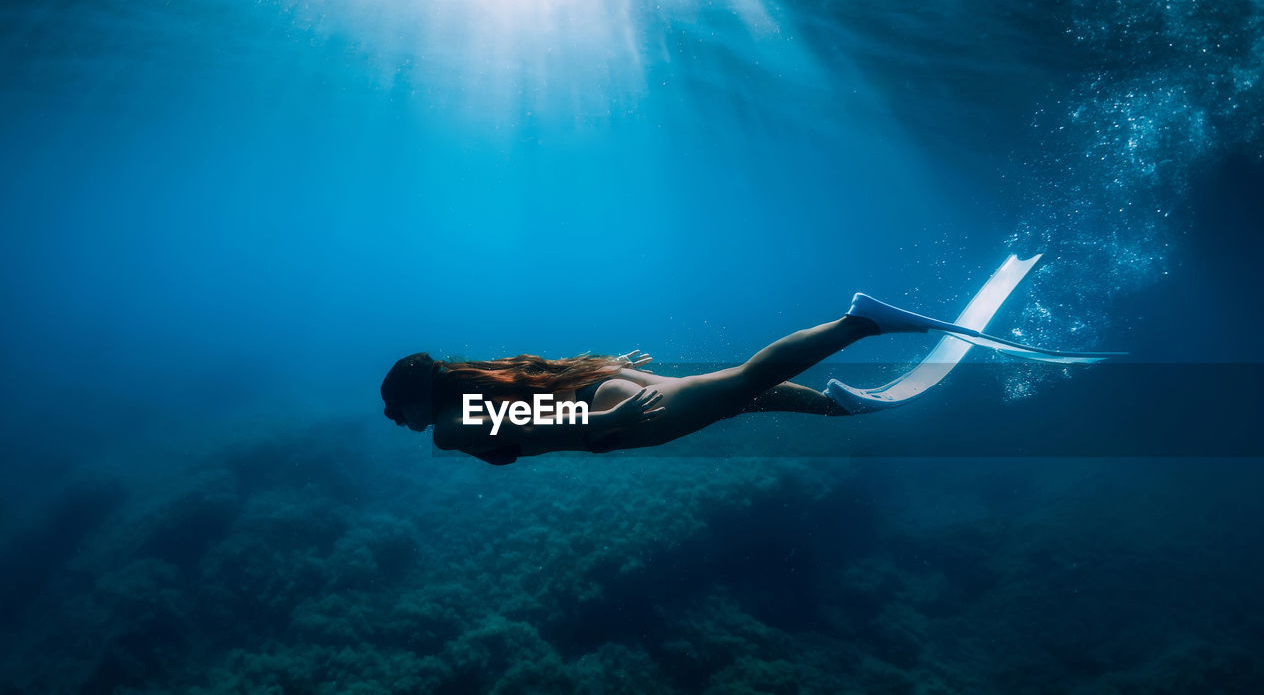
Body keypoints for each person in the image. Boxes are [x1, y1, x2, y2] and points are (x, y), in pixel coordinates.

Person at [381, 288, 1118, 465]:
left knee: (741, 381)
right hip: (602, 395)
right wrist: (602, 395)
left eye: (395, 410)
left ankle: (860, 321)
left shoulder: (448, 428)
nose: (398, 423)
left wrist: (603, 420)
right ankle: (839, 407)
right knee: (739, 401)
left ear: (417, 398)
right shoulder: (472, 381)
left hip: (607, 411)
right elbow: (537, 392)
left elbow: (533, 423)